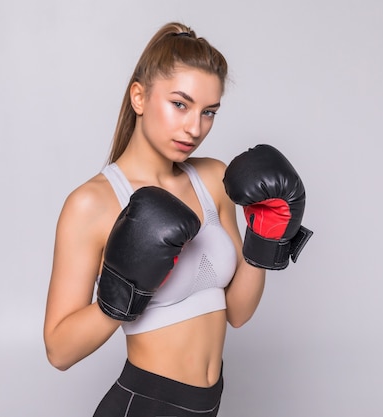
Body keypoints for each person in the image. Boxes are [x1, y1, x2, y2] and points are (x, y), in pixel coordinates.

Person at [43, 22, 311, 417]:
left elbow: (237, 312)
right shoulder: (92, 204)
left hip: (208, 404)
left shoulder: (212, 180)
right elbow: (59, 351)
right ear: (139, 96)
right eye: (180, 104)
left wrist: (263, 240)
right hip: (143, 405)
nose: (195, 128)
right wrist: (120, 295)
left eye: (209, 112)